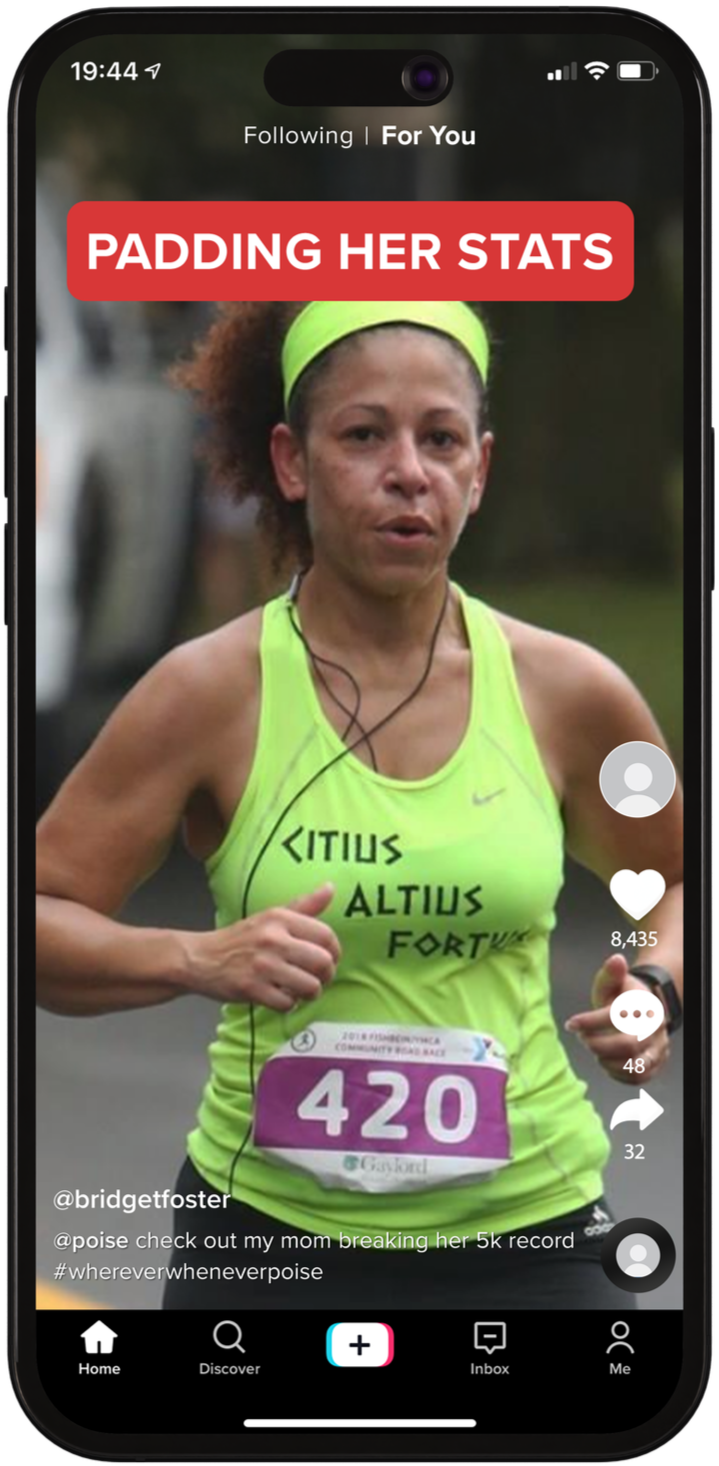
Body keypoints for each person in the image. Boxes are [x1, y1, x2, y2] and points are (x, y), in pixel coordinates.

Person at [36, 300, 684, 1311]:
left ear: (480, 469)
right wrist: (196, 958)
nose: (408, 472)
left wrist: (655, 987)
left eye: (441, 439)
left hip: (533, 1235)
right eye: (364, 435)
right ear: (291, 462)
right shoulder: (205, 692)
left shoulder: (574, 693)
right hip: (265, 1239)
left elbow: (678, 876)